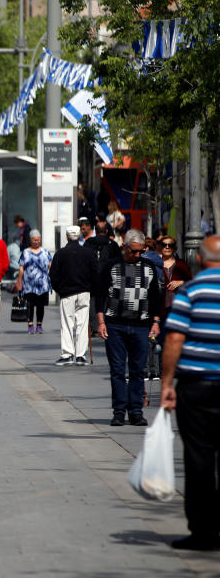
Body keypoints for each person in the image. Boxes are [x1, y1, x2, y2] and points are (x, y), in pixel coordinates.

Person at [160, 236, 220, 551]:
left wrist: (167, 383)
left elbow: (173, 341)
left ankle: (203, 532)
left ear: (199, 260)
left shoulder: (191, 291)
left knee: (199, 460)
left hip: (196, 387)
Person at [95, 228, 163, 426]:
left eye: (141, 251)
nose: (137, 255)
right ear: (124, 247)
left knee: (137, 370)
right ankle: (118, 411)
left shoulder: (149, 267)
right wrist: (100, 321)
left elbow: (155, 297)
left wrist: (156, 322)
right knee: (117, 370)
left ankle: (135, 411)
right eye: (134, 251)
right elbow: (100, 295)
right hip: (115, 325)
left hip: (141, 326)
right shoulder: (111, 266)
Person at [48, 226, 97, 364]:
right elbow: (95, 273)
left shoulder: (60, 254)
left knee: (67, 323)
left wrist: (59, 290)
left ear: (67, 237)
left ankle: (67, 354)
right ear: (80, 236)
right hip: (84, 292)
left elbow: (53, 275)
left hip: (67, 293)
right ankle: (81, 355)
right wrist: (90, 290)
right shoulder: (88, 253)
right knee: (82, 324)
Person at [14, 229, 52, 335]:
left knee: (41, 306)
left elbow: (50, 265)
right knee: (29, 305)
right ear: (30, 240)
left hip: (42, 284)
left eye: (38, 240)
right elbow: (21, 267)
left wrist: (53, 277)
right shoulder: (25, 252)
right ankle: (30, 325)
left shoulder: (45, 252)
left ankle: (39, 325)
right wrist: (19, 281)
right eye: (34, 240)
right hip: (29, 285)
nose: (36, 242)